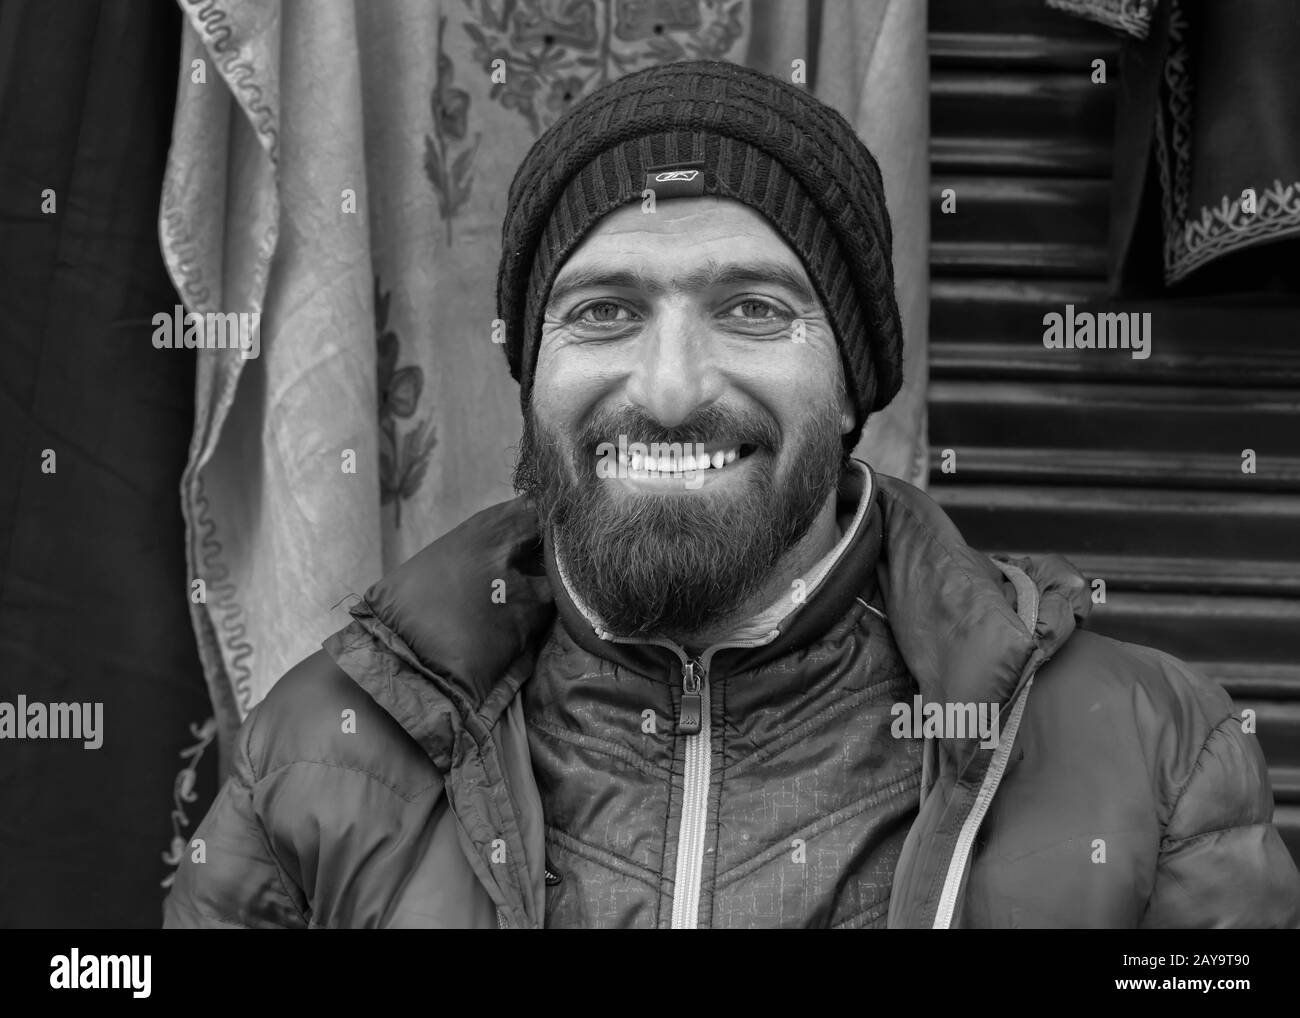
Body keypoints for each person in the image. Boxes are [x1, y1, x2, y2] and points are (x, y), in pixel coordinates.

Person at [163, 59, 1300, 929]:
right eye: (603, 310)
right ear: (532, 372)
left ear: (852, 382)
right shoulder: (318, 755)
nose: (666, 390)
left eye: (753, 309)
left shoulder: (1148, 760)